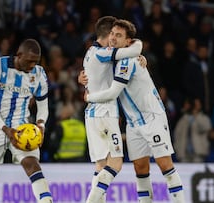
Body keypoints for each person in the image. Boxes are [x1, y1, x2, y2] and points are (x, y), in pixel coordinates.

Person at [82, 19, 186, 203]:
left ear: (128, 42)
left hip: (151, 117)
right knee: (140, 168)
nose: (113, 38)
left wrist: (88, 97)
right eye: (112, 33)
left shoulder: (128, 62)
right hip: (132, 123)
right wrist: (82, 78)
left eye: (119, 35)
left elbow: (113, 92)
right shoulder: (113, 56)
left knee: (165, 165)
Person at [0, 39, 53, 203]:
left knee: (32, 165)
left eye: (36, 62)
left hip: (22, 129)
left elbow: (43, 107)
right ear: (19, 55)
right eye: (29, 61)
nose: (32, 66)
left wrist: (41, 125)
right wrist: (6, 129)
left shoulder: (39, 74)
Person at [81, 16, 143, 203]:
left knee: (101, 165)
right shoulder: (103, 53)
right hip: (104, 113)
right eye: (114, 35)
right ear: (108, 35)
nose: (115, 39)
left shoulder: (90, 52)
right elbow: (136, 48)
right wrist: (136, 44)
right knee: (115, 163)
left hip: (92, 114)